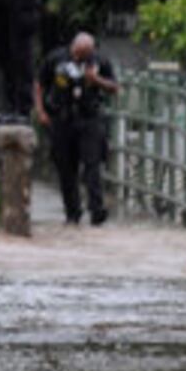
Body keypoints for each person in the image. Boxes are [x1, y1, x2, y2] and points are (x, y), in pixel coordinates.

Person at [34, 32, 120, 226]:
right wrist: (40, 111)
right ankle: (72, 212)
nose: (82, 58)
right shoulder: (56, 58)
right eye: (79, 53)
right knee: (66, 167)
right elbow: (39, 83)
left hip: (89, 118)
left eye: (86, 54)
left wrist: (96, 80)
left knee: (92, 165)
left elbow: (114, 87)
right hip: (62, 118)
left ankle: (96, 210)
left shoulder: (99, 61)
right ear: (73, 47)